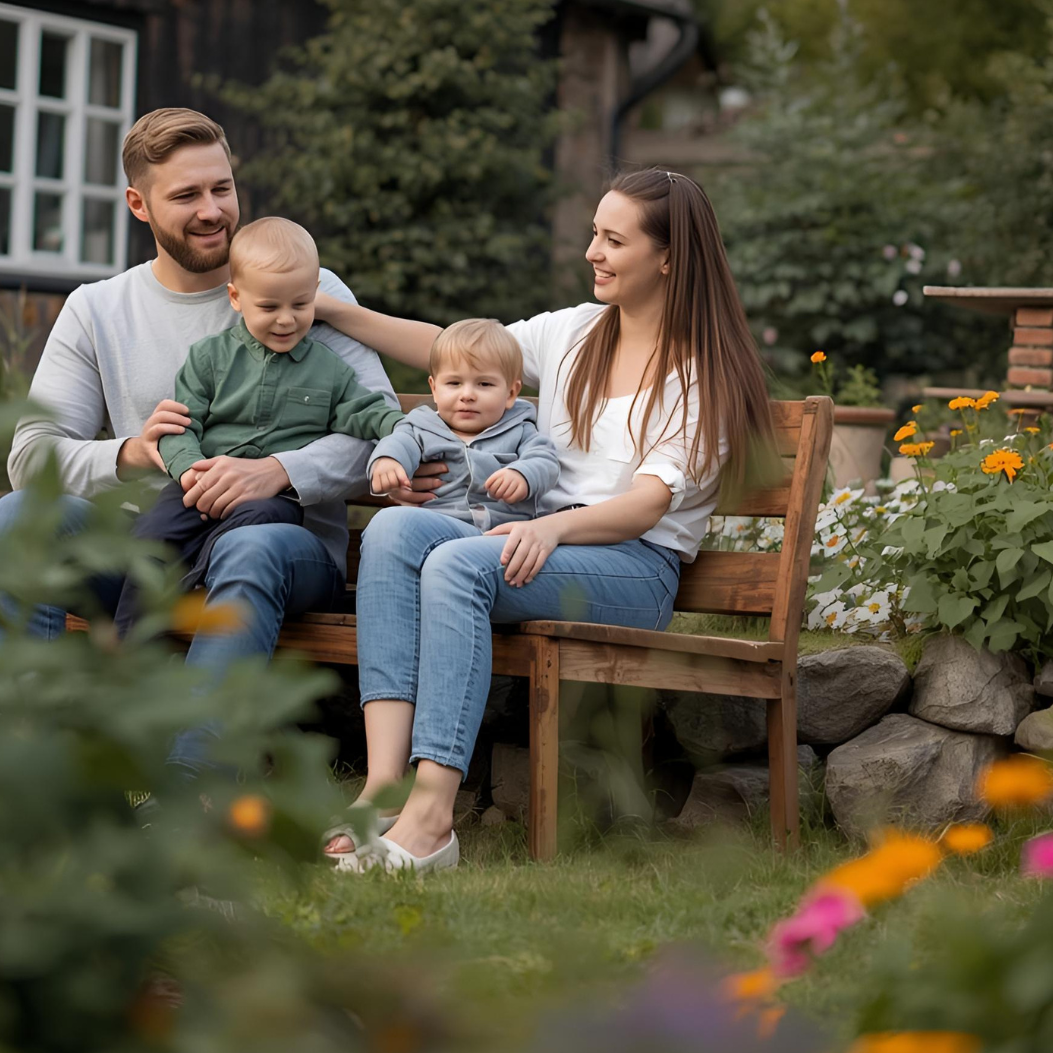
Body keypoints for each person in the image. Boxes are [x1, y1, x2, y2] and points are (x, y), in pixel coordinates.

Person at [319, 168, 774, 873]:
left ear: (669, 258)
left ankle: (433, 820)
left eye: (613, 239)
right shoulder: (576, 331)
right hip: (538, 543)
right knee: (393, 531)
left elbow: (650, 503)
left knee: (458, 562)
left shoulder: (704, 373)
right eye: (594, 232)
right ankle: (385, 790)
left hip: (632, 564)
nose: (592, 250)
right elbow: (456, 350)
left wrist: (552, 527)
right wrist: (333, 310)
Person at [0, 108, 398, 775]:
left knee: (250, 544)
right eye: (187, 196)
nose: (212, 212)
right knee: (19, 517)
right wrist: (130, 454)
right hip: (146, 550)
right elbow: (32, 455)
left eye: (222, 189)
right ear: (138, 205)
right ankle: (25, 762)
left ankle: (186, 790)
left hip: (283, 547)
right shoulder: (97, 309)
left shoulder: (299, 290)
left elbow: (379, 428)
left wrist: (278, 471)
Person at [113, 216, 405, 636]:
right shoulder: (209, 358)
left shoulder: (328, 370)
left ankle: (192, 580)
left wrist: (402, 428)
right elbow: (180, 426)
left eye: (300, 305)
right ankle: (126, 653)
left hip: (269, 502)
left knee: (267, 515)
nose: (286, 320)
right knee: (153, 535)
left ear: (314, 297)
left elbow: (365, 412)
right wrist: (192, 472)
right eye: (269, 307)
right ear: (236, 297)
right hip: (198, 488)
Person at [368, 318, 559, 528]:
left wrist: (523, 474)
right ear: (434, 389)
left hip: (500, 532)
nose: (467, 395)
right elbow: (399, 443)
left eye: (484, 384)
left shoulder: (520, 429)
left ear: (511, 393)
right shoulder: (420, 428)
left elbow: (545, 459)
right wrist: (388, 460)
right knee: (386, 525)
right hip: (437, 523)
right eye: (454, 383)